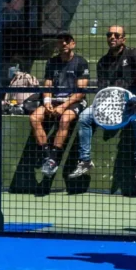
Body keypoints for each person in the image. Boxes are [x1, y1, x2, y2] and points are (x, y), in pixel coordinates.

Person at [68, 24, 136, 182]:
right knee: (84, 116)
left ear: (123, 39)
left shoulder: (132, 53)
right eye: (109, 35)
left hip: (129, 100)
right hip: (109, 101)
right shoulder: (102, 62)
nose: (112, 37)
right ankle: (85, 161)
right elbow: (101, 90)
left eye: (116, 35)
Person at [29, 33, 90, 177]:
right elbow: (48, 85)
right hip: (54, 101)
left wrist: (64, 106)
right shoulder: (51, 62)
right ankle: (47, 157)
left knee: (65, 119)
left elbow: (81, 92)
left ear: (73, 44)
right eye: (60, 42)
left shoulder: (81, 62)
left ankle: (54, 157)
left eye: (67, 41)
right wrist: (47, 101)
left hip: (74, 101)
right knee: (34, 118)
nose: (63, 44)